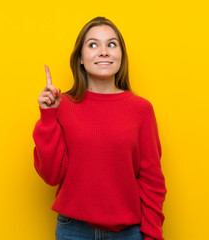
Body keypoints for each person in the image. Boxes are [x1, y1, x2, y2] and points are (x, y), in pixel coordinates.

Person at [33, 16, 167, 240]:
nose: (103, 51)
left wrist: (153, 235)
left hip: (129, 232)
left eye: (111, 44)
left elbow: (152, 181)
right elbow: (51, 175)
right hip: (73, 230)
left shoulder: (141, 109)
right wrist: (48, 116)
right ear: (80, 59)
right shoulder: (62, 105)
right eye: (93, 44)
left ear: (121, 56)